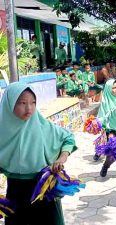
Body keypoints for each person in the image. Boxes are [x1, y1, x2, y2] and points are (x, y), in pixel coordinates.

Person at [0, 82, 77, 225]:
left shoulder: (42, 125)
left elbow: (68, 138)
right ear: (9, 104)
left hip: (44, 190)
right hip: (16, 193)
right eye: (22, 103)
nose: (29, 108)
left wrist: (61, 158)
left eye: (33, 102)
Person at [93, 79, 116, 162]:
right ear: (108, 89)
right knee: (104, 139)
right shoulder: (105, 101)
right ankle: (99, 152)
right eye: (113, 88)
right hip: (109, 125)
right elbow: (101, 115)